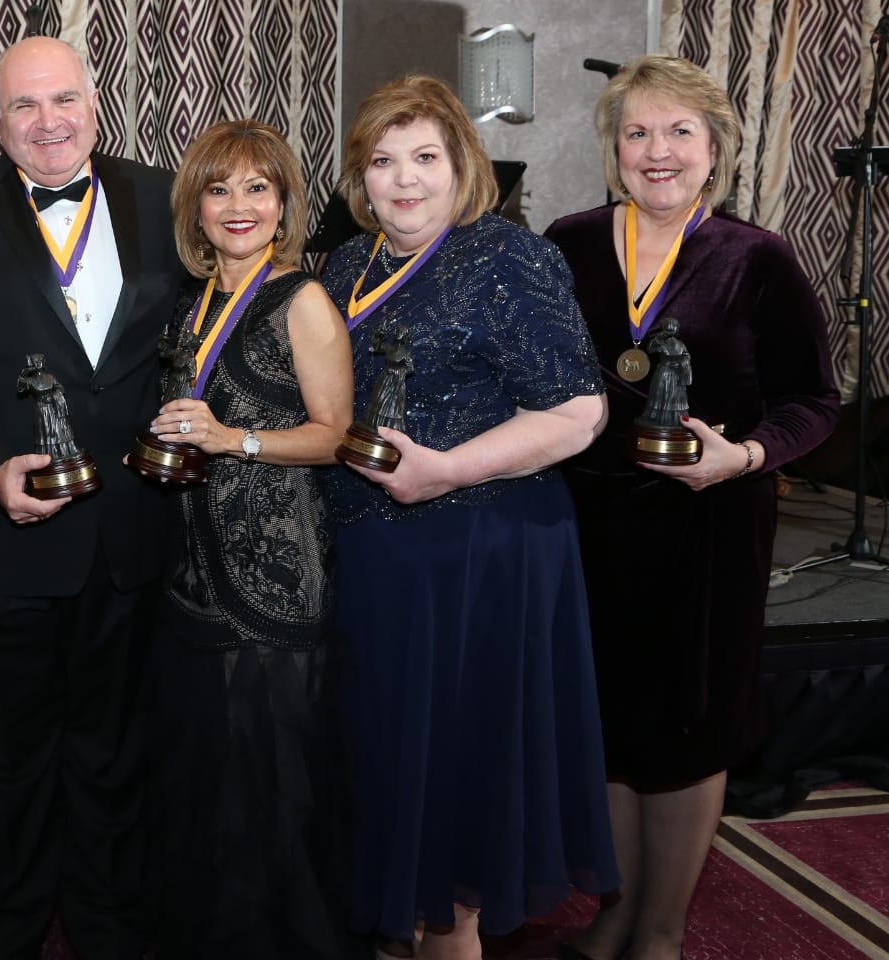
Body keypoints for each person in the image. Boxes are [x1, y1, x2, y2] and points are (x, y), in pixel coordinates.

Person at [0, 36, 186, 960]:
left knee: (116, 758)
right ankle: (9, 935)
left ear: (95, 104)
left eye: (63, 100)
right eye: (24, 106)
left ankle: (108, 931)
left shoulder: (166, 197)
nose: (47, 123)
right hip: (6, 541)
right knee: (11, 766)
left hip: (136, 535)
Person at [545, 55, 840, 960]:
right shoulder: (572, 240)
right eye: (637, 132)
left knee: (685, 729)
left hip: (707, 529)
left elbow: (815, 401)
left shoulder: (758, 257)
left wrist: (745, 456)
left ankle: (662, 929)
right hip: (587, 526)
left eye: (679, 132)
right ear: (613, 149)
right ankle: (615, 908)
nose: (657, 151)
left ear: (717, 149)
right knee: (610, 728)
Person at [321, 75, 620, 959]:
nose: (403, 180)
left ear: (463, 167)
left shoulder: (504, 256)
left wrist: (445, 472)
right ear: (359, 176)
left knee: (451, 790)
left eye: (425, 158)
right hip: (375, 557)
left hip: (478, 556)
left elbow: (579, 412)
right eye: (383, 161)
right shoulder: (346, 263)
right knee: (390, 770)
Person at [141, 119, 353, 959]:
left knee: (269, 795)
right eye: (220, 188)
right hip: (194, 571)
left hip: (274, 579)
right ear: (195, 207)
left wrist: (234, 439)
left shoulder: (300, 299)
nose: (239, 205)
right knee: (208, 785)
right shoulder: (194, 304)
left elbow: (336, 435)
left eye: (258, 187)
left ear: (284, 204)